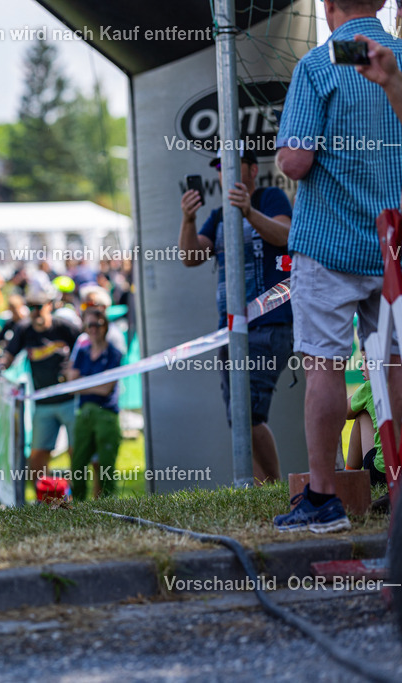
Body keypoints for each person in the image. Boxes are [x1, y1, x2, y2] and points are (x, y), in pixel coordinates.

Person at [274, 0, 402, 533]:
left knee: (324, 366)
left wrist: (285, 152)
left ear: (327, 5)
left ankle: (323, 497)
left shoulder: (320, 63)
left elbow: (295, 160)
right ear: (381, 2)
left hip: (330, 243)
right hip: (392, 242)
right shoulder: (397, 58)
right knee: (394, 365)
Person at [178, 148, 294, 484]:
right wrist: (188, 219)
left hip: (269, 322)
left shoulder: (270, 198)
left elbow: (285, 235)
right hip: (230, 330)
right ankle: (259, 490)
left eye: (232, 163)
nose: (223, 170)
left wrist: (249, 212)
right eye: (219, 166)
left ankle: (272, 487)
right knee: (239, 416)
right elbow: (190, 256)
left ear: (253, 170)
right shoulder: (218, 215)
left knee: (247, 414)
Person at [0, 292, 81, 487]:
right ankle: (43, 495)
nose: (35, 312)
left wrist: (75, 369)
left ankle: (77, 493)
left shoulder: (64, 327)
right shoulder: (24, 329)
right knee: (38, 455)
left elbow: (84, 347)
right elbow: (9, 356)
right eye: (31, 308)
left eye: (39, 307)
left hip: (71, 400)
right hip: (42, 403)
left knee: (76, 450)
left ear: (49, 306)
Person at [66, 308, 124, 500]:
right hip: (84, 414)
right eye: (90, 325)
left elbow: (106, 389)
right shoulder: (82, 352)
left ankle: (108, 504)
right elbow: (71, 384)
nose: (94, 329)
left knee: (106, 466)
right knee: (78, 464)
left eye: (98, 325)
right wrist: (91, 384)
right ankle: (78, 504)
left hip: (106, 414)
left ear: (105, 327)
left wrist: (82, 382)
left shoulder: (114, 353)